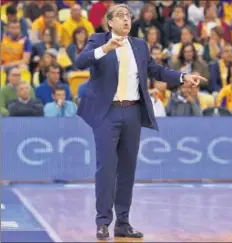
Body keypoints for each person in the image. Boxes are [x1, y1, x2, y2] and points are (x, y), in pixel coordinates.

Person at [75, 3, 206, 240]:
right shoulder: (97, 40)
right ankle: (103, 222)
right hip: (107, 113)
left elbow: (157, 71)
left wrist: (183, 76)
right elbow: (80, 62)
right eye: (120, 16)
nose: (126, 20)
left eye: (128, 16)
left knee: (127, 170)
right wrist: (105, 48)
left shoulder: (139, 45)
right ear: (110, 22)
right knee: (106, 168)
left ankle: (123, 223)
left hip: (133, 111)